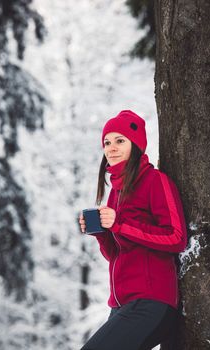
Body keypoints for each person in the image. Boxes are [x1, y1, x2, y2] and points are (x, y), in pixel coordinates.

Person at [79, 110, 187, 350]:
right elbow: (115, 254)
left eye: (120, 141)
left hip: (151, 301)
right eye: (107, 142)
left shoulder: (154, 181)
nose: (111, 148)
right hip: (121, 305)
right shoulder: (115, 193)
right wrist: (102, 233)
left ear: (136, 145)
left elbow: (176, 237)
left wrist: (119, 224)